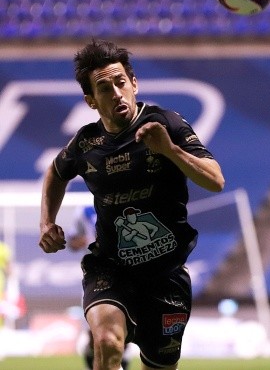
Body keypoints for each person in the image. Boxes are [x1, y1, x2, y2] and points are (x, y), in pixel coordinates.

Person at [39, 39, 225, 370]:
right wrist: (46, 222)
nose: (116, 93)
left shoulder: (166, 123)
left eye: (121, 82)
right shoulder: (86, 143)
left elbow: (215, 180)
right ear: (91, 100)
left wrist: (170, 150)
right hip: (110, 270)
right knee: (107, 343)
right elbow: (55, 172)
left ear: (134, 83)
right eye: (104, 88)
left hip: (167, 275)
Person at [67, 205, 132, 370]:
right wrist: (88, 241)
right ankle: (92, 361)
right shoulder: (84, 211)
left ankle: (121, 363)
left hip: (129, 273)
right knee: (96, 334)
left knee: (123, 334)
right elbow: (72, 241)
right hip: (97, 275)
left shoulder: (128, 203)